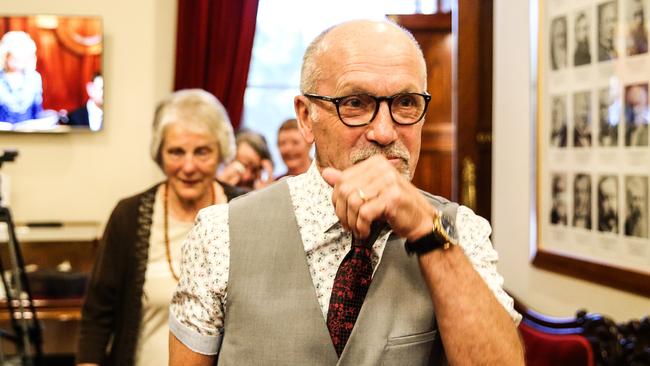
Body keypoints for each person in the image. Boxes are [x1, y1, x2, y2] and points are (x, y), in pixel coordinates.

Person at [169, 19, 523, 365]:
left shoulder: (461, 232)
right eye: (355, 103)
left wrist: (426, 233)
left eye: (406, 103)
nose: (384, 132)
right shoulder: (221, 234)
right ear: (306, 118)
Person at [76, 89, 245, 366]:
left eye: (202, 152)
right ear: (159, 154)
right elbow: (97, 313)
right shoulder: (129, 216)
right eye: (176, 152)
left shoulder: (245, 209)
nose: (188, 166)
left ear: (221, 152)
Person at [0, 30, 43, 123]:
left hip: (28, 134)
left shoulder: (34, 78)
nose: (19, 61)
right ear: (5, 56)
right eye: (14, 57)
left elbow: (37, 111)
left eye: (23, 56)